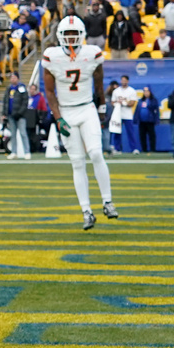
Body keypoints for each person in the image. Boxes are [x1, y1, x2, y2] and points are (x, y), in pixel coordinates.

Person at [41, 16, 118, 230]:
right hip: (66, 111)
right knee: (77, 162)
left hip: (86, 108)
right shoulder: (52, 56)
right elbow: (49, 91)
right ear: (60, 36)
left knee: (95, 153)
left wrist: (102, 108)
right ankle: (86, 211)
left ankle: (107, 201)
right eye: (68, 34)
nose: (72, 38)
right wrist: (58, 118)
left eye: (75, 34)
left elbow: (99, 84)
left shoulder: (91, 53)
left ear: (82, 35)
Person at [111, 75, 140, 154]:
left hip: (127, 115)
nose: (123, 82)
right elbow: (112, 102)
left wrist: (123, 103)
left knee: (130, 132)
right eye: (122, 80)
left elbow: (132, 103)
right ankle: (117, 149)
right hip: (118, 115)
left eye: (125, 80)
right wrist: (117, 104)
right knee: (117, 132)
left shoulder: (131, 91)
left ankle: (133, 148)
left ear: (128, 81)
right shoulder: (116, 91)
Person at [5, 72, 30, 159]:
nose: (12, 79)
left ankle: (27, 152)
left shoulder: (21, 88)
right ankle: (13, 152)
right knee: (13, 134)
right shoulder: (9, 89)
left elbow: (25, 102)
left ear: (18, 78)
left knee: (23, 133)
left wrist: (20, 113)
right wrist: (4, 113)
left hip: (20, 115)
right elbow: (6, 102)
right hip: (11, 115)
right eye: (11, 78)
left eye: (14, 77)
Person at [135, 86, 160, 153]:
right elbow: (137, 110)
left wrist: (156, 119)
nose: (146, 93)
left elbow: (156, 110)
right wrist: (136, 119)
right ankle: (144, 149)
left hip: (150, 121)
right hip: (142, 121)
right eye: (145, 91)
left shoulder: (153, 100)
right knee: (142, 136)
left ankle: (152, 149)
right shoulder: (141, 100)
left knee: (151, 136)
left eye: (147, 91)